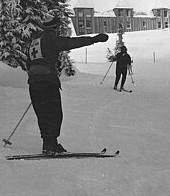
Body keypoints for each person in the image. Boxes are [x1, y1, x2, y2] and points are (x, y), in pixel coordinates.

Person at [26, 13, 109, 155]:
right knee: (54, 113)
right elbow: (70, 43)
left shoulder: (35, 40)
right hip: (47, 81)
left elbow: (30, 62)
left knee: (43, 114)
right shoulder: (51, 38)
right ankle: (51, 145)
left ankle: (48, 144)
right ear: (54, 27)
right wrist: (94, 39)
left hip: (34, 82)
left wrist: (51, 62)